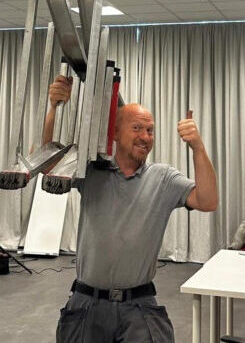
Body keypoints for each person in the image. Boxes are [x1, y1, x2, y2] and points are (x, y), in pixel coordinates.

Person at [46, 75, 218, 343]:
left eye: (150, 130)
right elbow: (47, 166)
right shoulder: (91, 171)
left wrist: (197, 146)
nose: (145, 137)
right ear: (115, 133)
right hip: (86, 303)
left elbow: (208, 201)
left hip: (139, 306)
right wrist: (53, 110)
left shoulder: (163, 178)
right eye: (137, 128)